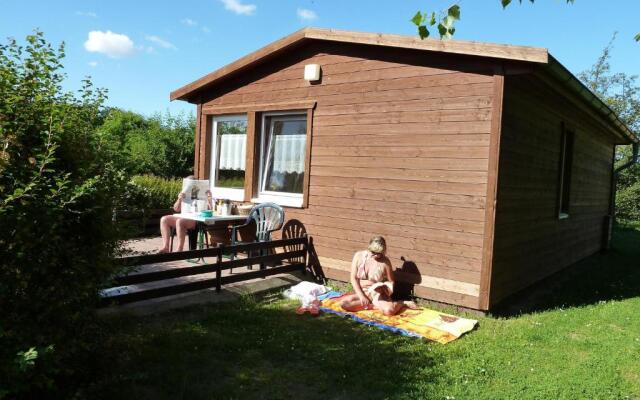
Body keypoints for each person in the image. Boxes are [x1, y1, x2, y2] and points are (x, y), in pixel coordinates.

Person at [340, 236, 416, 316]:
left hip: (377, 294)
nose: (376, 255)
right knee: (344, 304)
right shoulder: (358, 256)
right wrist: (362, 296)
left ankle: (402, 303)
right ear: (369, 247)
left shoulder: (385, 262)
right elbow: (353, 278)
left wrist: (386, 289)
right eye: (373, 252)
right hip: (363, 292)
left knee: (389, 311)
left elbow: (391, 281)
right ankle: (374, 306)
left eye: (379, 253)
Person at [158, 182, 214, 253]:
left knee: (180, 221)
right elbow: (176, 209)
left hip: (197, 219)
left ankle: (179, 249)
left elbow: (211, 210)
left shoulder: (204, 193)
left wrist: (209, 199)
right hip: (184, 216)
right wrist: (179, 199)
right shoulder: (184, 193)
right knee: (164, 219)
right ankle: (166, 247)